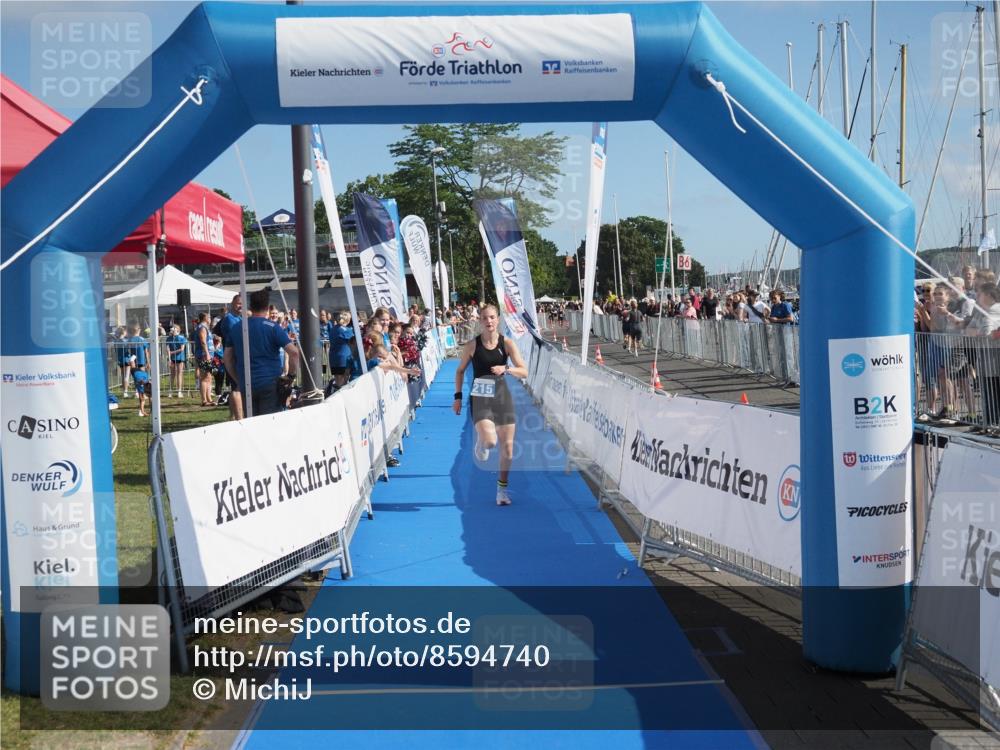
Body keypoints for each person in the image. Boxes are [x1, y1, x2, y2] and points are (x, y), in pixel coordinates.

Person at [452, 304, 529, 506]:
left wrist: (507, 369)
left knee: (508, 448)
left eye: (492, 317)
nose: (489, 321)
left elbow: (524, 371)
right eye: (485, 318)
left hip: (502, 396)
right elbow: (460, 371)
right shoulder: (473, 345)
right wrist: (458, 397)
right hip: (480, 396)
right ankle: (481, 441)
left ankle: (501, 490)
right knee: (490, 442)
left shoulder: (507, 344)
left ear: (498, 319)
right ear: (480, 321)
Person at [224, 289, 300, 417]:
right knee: (269, 422)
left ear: (250, 306)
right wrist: (291, 376)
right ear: (267, 307)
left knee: (252, 422)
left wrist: (238, 379)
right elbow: (294, 353)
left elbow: (227, 359)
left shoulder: (237, 327)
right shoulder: (273, 327)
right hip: (270, 383)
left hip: (247, 383)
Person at [215, 295, 245, 420]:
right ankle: (238, 417)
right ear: (232, 303)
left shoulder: (239, 317)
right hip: (233, 357)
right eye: (238, 303)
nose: (241, 306)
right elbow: (238, 337)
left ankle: (232, 416)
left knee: (236, 387)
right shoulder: (229, 319)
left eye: (242, 303)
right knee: (237, 387)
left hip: (238, 357)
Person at [193, 312, 213, 406]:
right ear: (205, 318)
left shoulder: (205, 327)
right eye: (209, 317)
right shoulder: (202, 327)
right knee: (205, 377)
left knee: (209, 377)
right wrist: (207, 353)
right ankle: (204, 400)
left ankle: (209, 399)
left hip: (207, 355)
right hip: (203, 355)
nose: (210, 319)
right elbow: (203, 341)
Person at [166, 325, 187, 398]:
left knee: (179, 374)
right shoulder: (169, 338)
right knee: (172, 375)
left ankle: (179, 391)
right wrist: (169, 359)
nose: (172, 330)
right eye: (172, 329)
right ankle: (170, 391)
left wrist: (172, 352)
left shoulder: (181, 338)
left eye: (174, 328)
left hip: (180, 358)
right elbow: (167, 349)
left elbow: (182, 349)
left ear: (178, 330)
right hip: (172, 359)